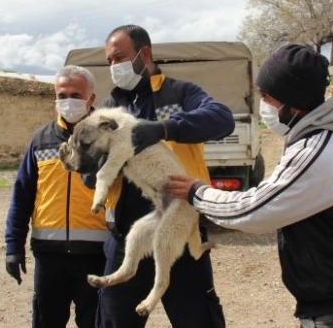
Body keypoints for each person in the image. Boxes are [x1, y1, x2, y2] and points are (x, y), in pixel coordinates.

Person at [166, 44, 333, 328]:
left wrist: (197, 193)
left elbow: (255, 210)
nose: (264, 105)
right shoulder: (327, 140)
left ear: (293, 101)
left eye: (267, 97)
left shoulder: (318, 150)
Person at [95, 24, 234, 328]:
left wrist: (163, 128)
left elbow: (222, 119)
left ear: (144, 54)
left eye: (119, 58)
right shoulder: (108, 106)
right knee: (114, 321)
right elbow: (90, 173)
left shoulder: (180, 93)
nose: (113, 67)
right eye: (109, 62)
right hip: (125, 240)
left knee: (197, 319)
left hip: (180, 236)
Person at [4, 65, 116, 328]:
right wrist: (13, 247)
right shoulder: (41, 140)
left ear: (91, 99)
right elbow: (22, 195)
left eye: (75, 95)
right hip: (49, 256)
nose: (68, 101)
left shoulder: (109, 139)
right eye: (61, 95)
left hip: (96, 255)